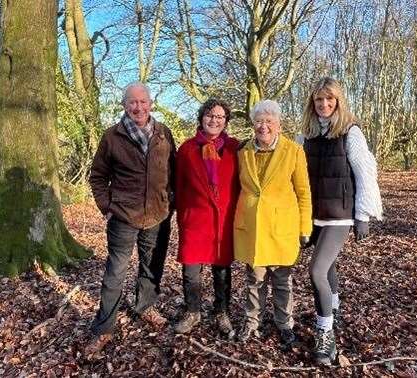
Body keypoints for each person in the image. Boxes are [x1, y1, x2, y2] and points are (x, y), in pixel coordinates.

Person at [84, 82, 176, 357]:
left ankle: (144, 306)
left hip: (158, 215)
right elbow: (97, 176)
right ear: (125, 105)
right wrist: (107, 206)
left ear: (151, 104)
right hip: (123, 217)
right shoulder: (112, 136)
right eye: (132, 102)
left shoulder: (164, 133)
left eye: (143, 102)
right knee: (115, 273)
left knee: (152, 267)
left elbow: (175, 172)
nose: (138, 107)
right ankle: (104, 328)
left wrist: (172, 203)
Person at [299, 77, 383, 365]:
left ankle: (325, 336)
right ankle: (333, 310)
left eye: (329, 100)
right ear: (313, 103)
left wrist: (362, 216)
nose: (324, 105)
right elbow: (297, 176)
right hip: (314, 215)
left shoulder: (351, 133)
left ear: (338, 101)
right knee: (329, 267)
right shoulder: (306, 135)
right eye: (319, 100)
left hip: (339, 215)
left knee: (316, 271)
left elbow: (365, 173)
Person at [234, 99, 312, 347]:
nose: (263, 126)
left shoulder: (294, 151)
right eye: (259, 121)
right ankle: (251, 321)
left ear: (278, 125)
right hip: (254, 228)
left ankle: (284, 324)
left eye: (269, 121)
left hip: (281, 229)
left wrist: (305, 228)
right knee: (254, 280)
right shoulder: (243, 151)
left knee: (281, 281)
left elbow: (303, 192)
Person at [173, 99, 240, 336]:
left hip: (224, 218)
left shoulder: (235, 148)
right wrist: (183, 215)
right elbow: (178, 185)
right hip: (195, 218)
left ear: (226, 122)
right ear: (202, 118)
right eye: (210, 115)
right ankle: (193, 311)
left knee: (221, 268)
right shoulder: (187, 149)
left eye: (220, 117)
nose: (215, 120)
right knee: (191, 269)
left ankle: (221, 311)